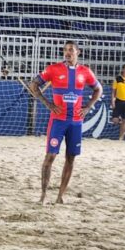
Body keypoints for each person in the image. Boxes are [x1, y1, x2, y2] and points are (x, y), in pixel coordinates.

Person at [29, 41, 103, 204]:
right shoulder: (53, 69)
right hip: (58, 121)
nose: (67, 53)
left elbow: (99, 89)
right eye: (65, 50)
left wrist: (88, 107)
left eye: (71, 50)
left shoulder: (85, 72)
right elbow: (33, 85)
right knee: (50, 157)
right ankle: (43, 196)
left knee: (70, 158)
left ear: (78, 52)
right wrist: (47, 103)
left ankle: (60, 196)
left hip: (76, 123)